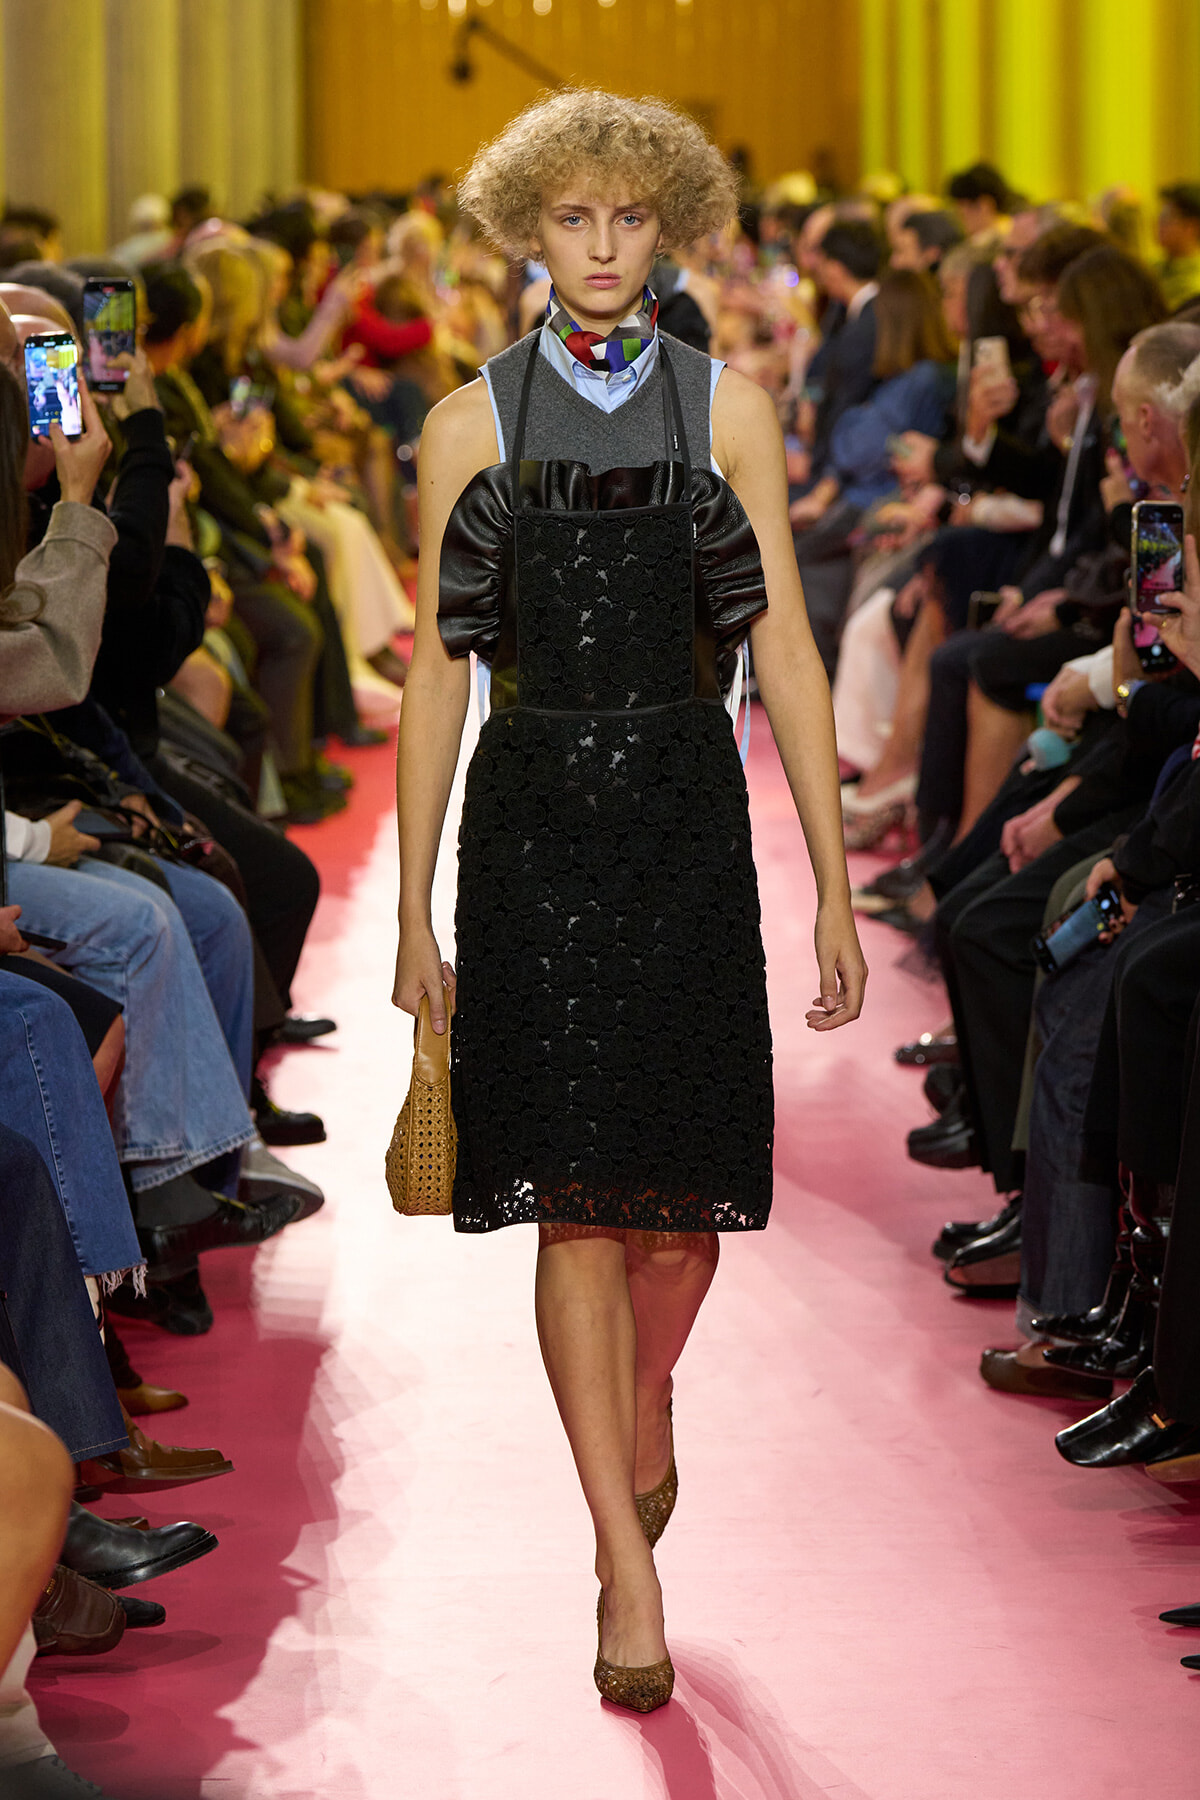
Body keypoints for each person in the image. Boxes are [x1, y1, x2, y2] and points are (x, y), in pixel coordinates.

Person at [392, 90, 866, 1713]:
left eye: (629, 219)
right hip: (530, 840)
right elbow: (435, 686)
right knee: (573, 1205)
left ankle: (647, 1396)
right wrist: (410, 918)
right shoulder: (470, 426)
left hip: (681, 823)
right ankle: (623, 1556)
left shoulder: (724, 412)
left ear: (667, 228)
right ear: (530, 230)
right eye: (572, 219)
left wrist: (838, 885)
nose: (601, 248)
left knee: (683, 1215)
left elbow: (787, 647)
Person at [1156, 183, 1200, 311]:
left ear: (1190, 227)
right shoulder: (1155, 267)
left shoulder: (1193, 285)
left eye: (1166, 218)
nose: (1159, 224)